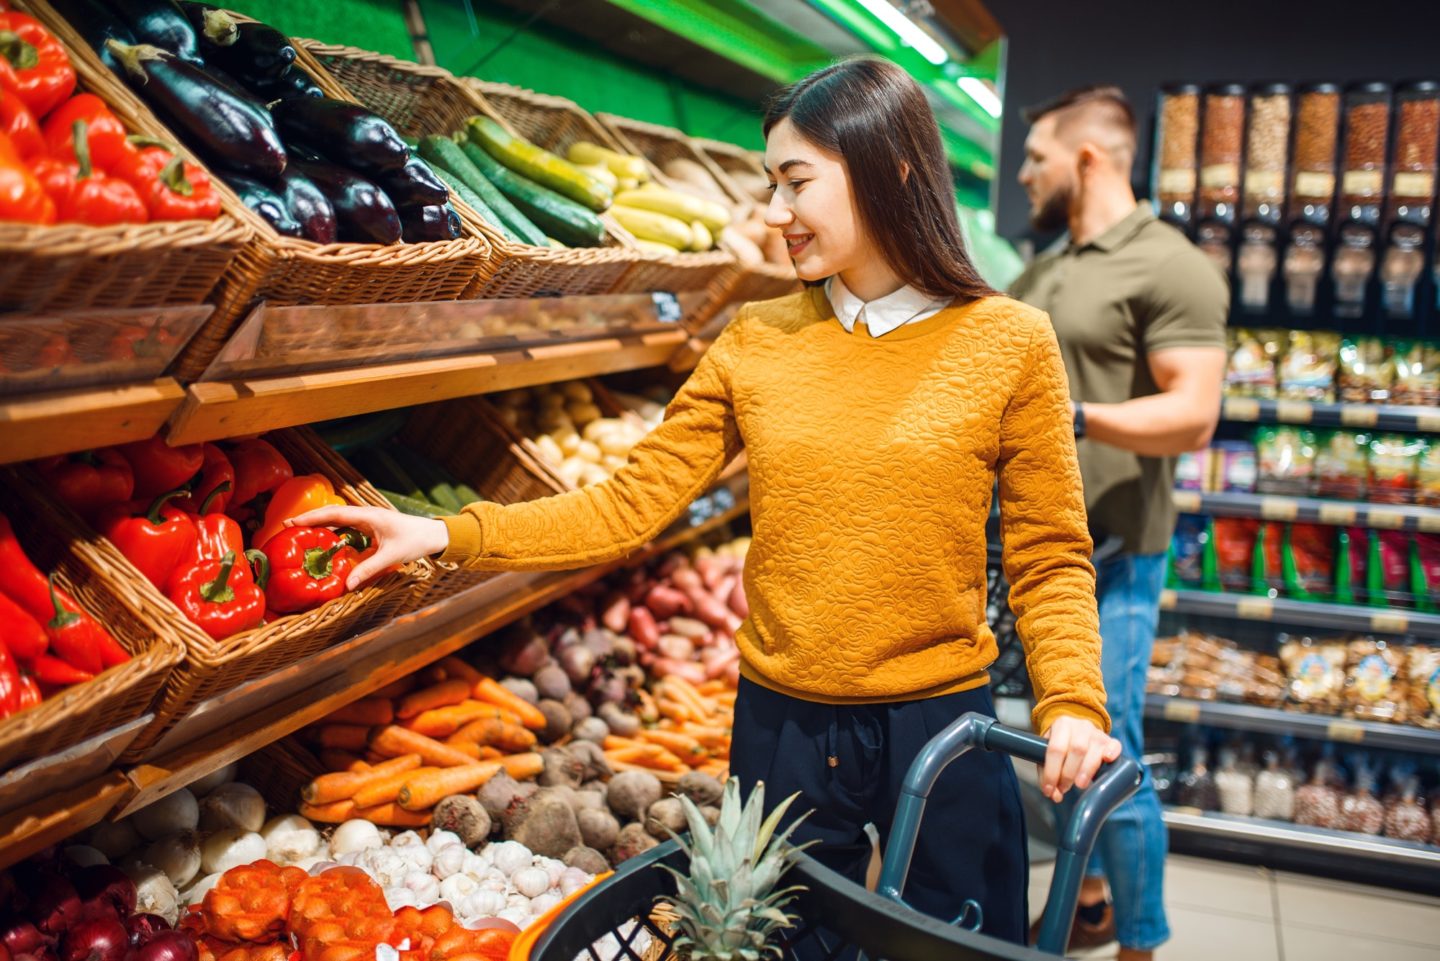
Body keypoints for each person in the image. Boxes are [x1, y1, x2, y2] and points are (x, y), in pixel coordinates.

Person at [293, 59, 1119, 946]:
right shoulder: (756, 340)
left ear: (893, 167)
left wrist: (1071, 698)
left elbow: (1047, 554)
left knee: (963, 944)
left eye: (796, 182)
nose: (772, 213)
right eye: (771, 183)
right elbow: (627, 503)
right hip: (783, 729)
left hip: (942, 725)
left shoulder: (1010, 342)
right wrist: (447, 532)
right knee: (771, 945)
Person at [1012, 86, 1229, 960]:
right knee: (1062, 747)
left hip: (1116, 553)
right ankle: (1093, 902)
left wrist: (1073, 415)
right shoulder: (1056, 259)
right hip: (1042, 548)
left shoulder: (1169, 266)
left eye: (1036, 156)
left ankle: (1140, 943)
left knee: (1108, 754)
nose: (1025, 174)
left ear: (1087, 159)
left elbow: (1194, 413)